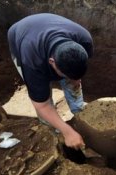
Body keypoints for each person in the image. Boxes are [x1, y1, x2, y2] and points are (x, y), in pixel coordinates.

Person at [7, 13, 93, 150]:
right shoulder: (32, 61)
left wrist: (75, 79)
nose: (71, 79)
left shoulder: (85, 40)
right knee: (43, 98)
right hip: (21, 35)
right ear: (52, 62)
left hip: (45, 27)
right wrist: (67, 131)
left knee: (73, 82)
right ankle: (53, 134)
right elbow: (42, 105)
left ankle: (79, 114)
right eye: (66, 75)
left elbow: (75, 74)